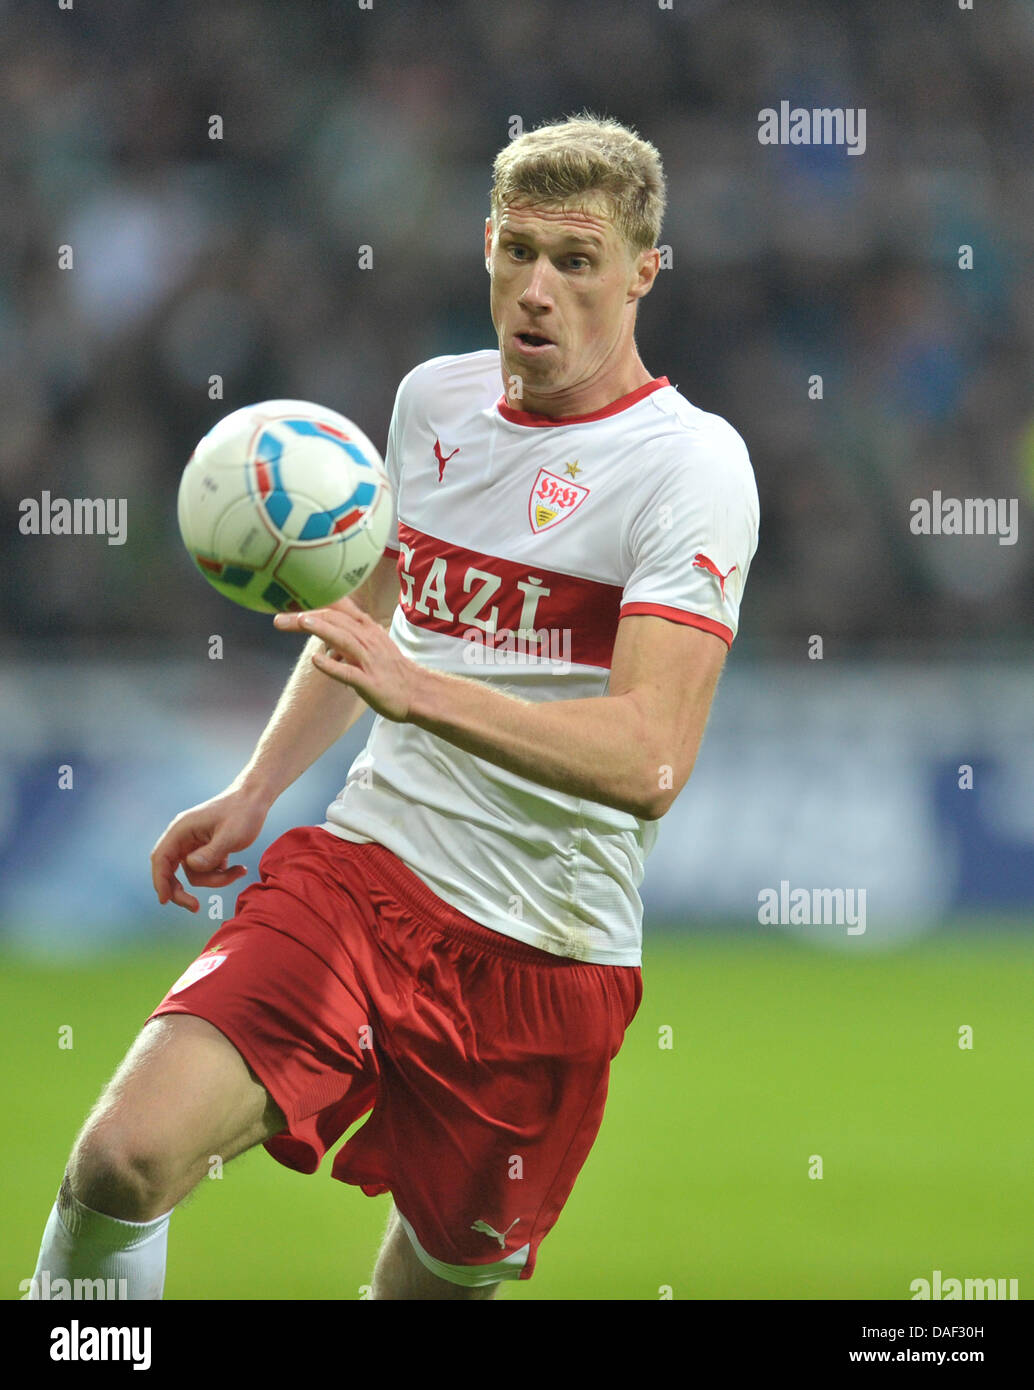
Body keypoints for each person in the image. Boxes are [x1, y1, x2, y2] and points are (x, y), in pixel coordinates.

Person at [29, 113, 759, 1301]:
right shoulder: (432, 404)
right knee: (123, 1157)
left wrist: (421, 687)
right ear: (482, 246)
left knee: (434, 1284)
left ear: (641, 272)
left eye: (573, 262)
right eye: (515, 251)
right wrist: (257, 790)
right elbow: (363, 631)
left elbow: (647, 758)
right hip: (366, 877)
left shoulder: (689, 466)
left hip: (546, 953)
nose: (536, 290)